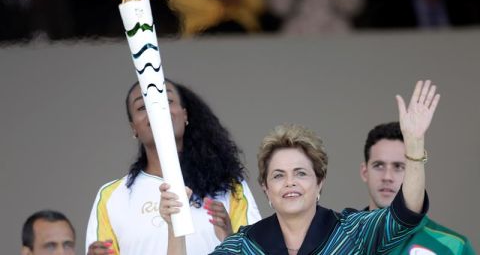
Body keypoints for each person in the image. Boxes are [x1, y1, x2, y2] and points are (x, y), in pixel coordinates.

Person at [161, 80, 439, 254]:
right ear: (266, 189)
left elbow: (407, 212)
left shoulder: (353, 232)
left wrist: (414, 145)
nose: (290, 182)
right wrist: (175, 227)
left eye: (301, 173)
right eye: (278, 175)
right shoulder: (243, 246)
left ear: (320, 182)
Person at [85, 79, 261, 255]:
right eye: (142, 107)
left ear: (185, 115)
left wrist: (229, 237)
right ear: (133, 128)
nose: (155, 109)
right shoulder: (111, 197)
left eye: (166, 101)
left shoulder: (228, 187)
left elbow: (256, 249)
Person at [360, 122, 475, 254]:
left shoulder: (453, 247)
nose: (387, 176)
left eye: (398, 166)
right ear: (364, 172)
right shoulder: (340, 236)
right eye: (379, 165)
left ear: (414, 173)